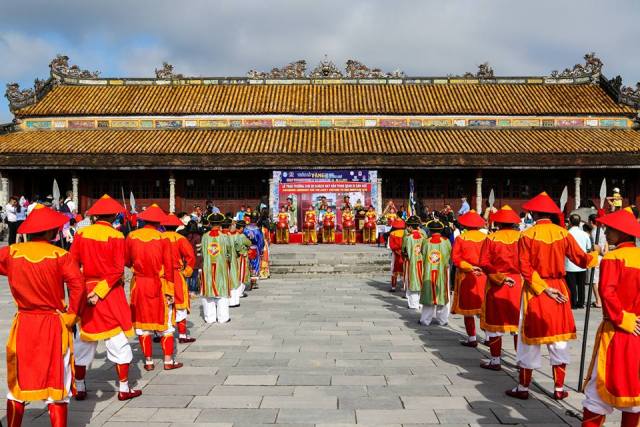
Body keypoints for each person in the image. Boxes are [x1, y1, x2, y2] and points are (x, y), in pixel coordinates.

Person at [505, 192, 596, 401]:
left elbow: (524, 268)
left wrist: (542, 288)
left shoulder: (527, 235)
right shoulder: (564, 234)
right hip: (560, 288)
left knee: (529, 342)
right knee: (558, 340)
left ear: (535, 214)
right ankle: (558, 388)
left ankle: (523, 387)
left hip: (535, 291)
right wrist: (595, 255)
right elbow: (582, 261)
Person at [0, 204, 85, 427]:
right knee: (57, 383)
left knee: (18, 383)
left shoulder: (11, 253)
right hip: (53, 323)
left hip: (25, 323)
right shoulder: (61, 255)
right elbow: (78, 286)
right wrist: (72, 315)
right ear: (49, 232)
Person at [71, 195, 142, 403]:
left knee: (84, 339)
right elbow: (117, 270)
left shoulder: (81, 234)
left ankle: (81, 387)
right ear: (113, 216)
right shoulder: (117, 236)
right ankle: (123, 388)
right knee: (118, 340)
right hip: (110, 293)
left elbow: (73, 265)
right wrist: (100, 291)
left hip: (86, 289)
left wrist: (82, 292)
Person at [582, 207, 640, 427]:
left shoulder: (613, 258)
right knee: (634, 392)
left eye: (611, 229)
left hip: (616, 332)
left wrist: (623, 319)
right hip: (638, 332)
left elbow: (607, 293)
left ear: (623, 233)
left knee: (596, 393)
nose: (606, 232)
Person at [126, 204, 182, 372]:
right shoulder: (163, 238)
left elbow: (127, 261)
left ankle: (148, 361)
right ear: (159, 222)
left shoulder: (131, 236)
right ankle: (167, 361)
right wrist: (171, 290)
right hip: (160, 283)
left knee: (143, 326)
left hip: (139, 284)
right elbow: (169, 265)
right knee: (166, 325)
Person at [477, 205, 523, 371]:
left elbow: (483, 262)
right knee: (518, 324)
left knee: (495, 324)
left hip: (497, 284)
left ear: (499, 222)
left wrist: (500, 277)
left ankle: (495, 360)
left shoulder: (492, 238)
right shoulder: (522, 237)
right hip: (519, 283)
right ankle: (520, 362)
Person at [451, 210, 488, 347]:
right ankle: (489, 338)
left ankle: (472, 338)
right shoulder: (487, 238)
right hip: (484, 275)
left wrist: (470, 267)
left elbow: (456, 259)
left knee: (469, 310)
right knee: (485, 309)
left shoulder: (461, 238)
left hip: (467, 276)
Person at [162, 213, 197, 343]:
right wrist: (186, 271)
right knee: (180, 303)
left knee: (164, 304)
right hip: (176, 274)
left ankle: (162, 333)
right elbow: (190, 257)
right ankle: (182, 335)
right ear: (177, 225)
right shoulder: (180, 239)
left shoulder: (158, 238)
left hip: (161, 275)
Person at [419, 219, 452, 326]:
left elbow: (423, 255)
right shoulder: (446, 241)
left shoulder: (426, 242)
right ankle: (443, 320)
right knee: (442, 295)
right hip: (442, 273)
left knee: (429, 295)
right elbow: (449, 256)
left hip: (429, 272)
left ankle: (425, 320)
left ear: (430, 230)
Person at [201, 213, 232, 323]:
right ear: (220, 224)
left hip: (208, 267)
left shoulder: (205, 237)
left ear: (210, 223)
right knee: (222, 293)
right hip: (221, 267)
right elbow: (229, 252)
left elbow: (203, 253)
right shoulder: (224, 237)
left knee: (208, 293)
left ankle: (210, 318)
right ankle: (223, 318)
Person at [565, 214, 592, 309]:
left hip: (570, 263)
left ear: (570, 222)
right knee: (581, 285)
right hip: (582, 263)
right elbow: (589, 248)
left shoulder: (566, 233)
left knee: (571, 285)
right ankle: (581, 303)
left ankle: (573, 303)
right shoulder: (585, 234)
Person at [402, 216, 426, 310]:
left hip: (411, 262)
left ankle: (413, 304)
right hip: (422, 262)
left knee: (412, 281)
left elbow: (404, 251)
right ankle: (421, 303)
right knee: (421, 280)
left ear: (411, 227)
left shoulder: (408, 237)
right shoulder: (424, 236)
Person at [230, 220, 251, 307]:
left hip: (234, 258)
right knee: (242, 275)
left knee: (236, 274)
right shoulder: (241, 236)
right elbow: (249, 243)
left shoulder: (232, 235)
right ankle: (239, 292)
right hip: (242, 256)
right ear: (241, 228)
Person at [588, 213, 607, 309]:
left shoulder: (594, 232)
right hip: (602, 256)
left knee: (594, 281)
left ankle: (598, 300)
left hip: (597, 256)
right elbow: (606, 243)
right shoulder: (602, 231)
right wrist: (605, 253)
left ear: (591, 221)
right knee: (600, 279)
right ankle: (601, 300)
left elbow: (596, 247)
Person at [244, 211, 265, 289]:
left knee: (248, 264)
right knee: (255, 265)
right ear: (256, 220)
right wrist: (261, 250)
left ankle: (248, 280)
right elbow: (261, 241)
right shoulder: (258, 230)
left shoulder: (245, 229)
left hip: (247, 249)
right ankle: (254, 282)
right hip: (255, 249)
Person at [184, 220, 203, 297]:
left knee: (187, 275)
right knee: (194, 276)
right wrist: (200, 261)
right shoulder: (198, 237)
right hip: (195, 259)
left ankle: (186, 290)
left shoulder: (185, 236)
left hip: (186, 259)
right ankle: (193, 291)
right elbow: (199, 250)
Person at [388, 218, 406, 292]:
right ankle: (404, 286)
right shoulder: (406, 233)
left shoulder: (392, 234)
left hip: (395, 253)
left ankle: (393, 287)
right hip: (404, 253)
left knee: (393, 268)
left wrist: (396, 251)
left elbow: (391, 245)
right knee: (405, 269)